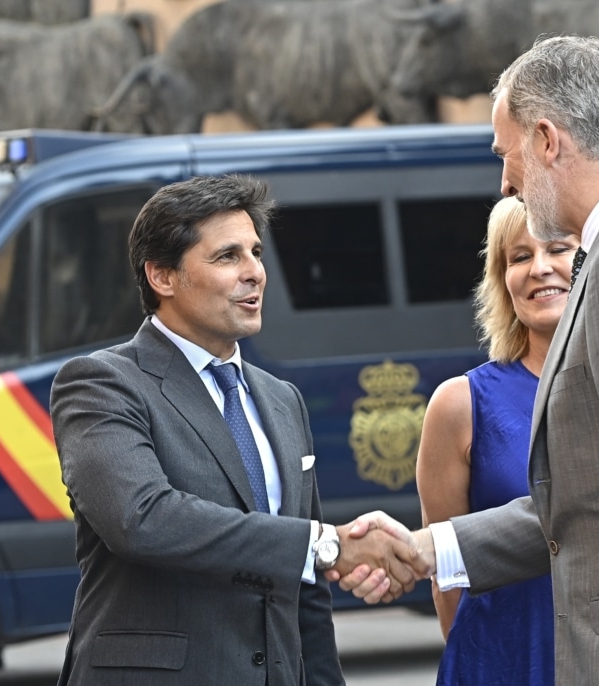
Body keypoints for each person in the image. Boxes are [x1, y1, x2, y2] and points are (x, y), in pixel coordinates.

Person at [331, 35, 599, 685]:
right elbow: (595, 505)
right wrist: (425, 549)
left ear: (547, 139)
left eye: (507, 155)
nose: (505, 181)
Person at [50, 173, 417, 686]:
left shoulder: (281, 400)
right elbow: (143, 519)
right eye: (228, 257)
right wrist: (323, 544)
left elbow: (305, 595)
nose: (256, 274)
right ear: (162, 276)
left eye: (257, 252)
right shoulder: (101, 384)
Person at [418, 196, 577, 685]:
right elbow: (445, 571)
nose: (540, 269)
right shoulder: (460, 403)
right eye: (520, 257)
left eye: (558, 249)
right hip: (497, 661)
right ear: (501, 279)